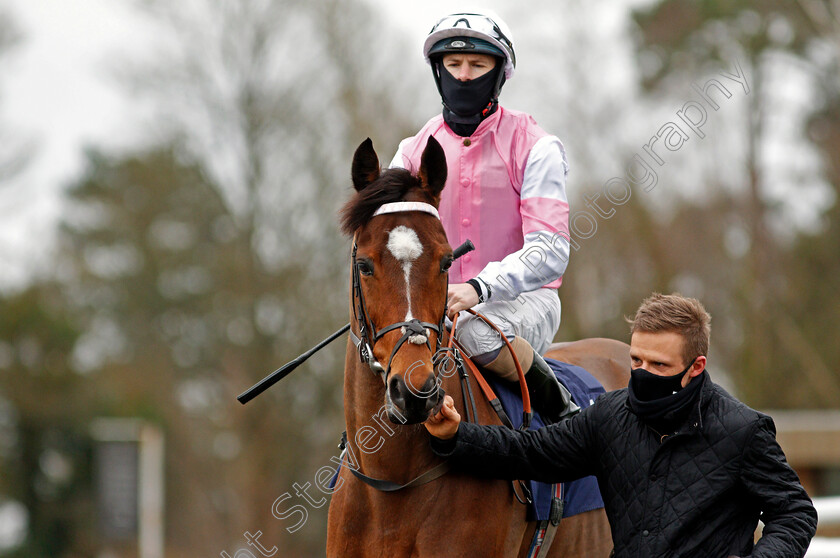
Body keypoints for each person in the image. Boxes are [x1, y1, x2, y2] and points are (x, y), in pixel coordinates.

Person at [425, 293, 818, 558]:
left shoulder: (744, 430)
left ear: (696, 367)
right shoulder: (608, 416)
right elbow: (530, 453)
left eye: (659, 365)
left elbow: (796, 512)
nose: (644, 374)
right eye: (636, 361)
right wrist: (457, 436)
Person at [390, 11, 577, 423]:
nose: (463, 76)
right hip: (434, 306)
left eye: (477, 65)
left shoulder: (536, 146)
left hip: (524, 301)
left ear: (499, 73)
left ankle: (565, 413)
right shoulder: (411, 152)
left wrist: (479, 287)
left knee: (472, 331)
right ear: (439, 72)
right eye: (453, 65)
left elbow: (551, 249)